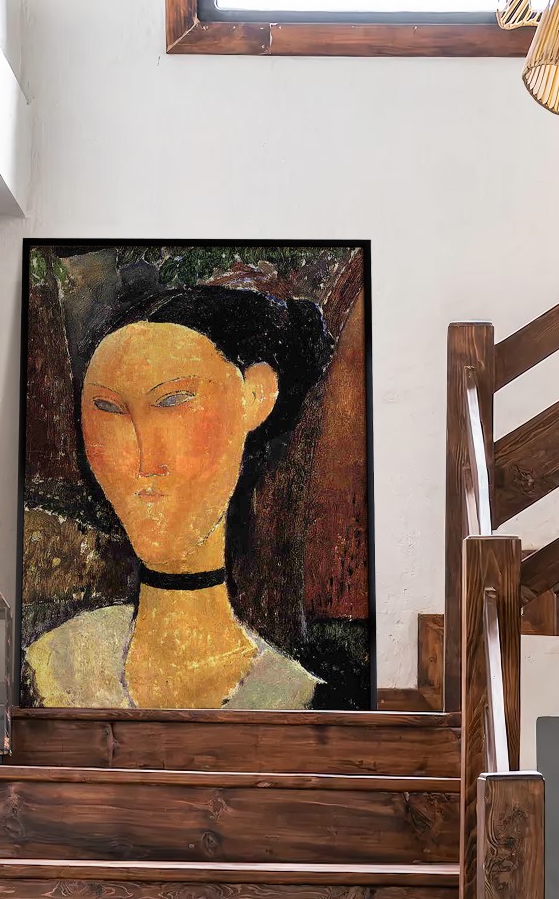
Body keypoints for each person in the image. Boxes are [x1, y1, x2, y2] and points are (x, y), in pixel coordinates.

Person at [25, 284, 335, 709]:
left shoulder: (291, 697)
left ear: (256, 395)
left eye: (173, 401)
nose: (143, 459)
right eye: (108, 408)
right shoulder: (54, 663)